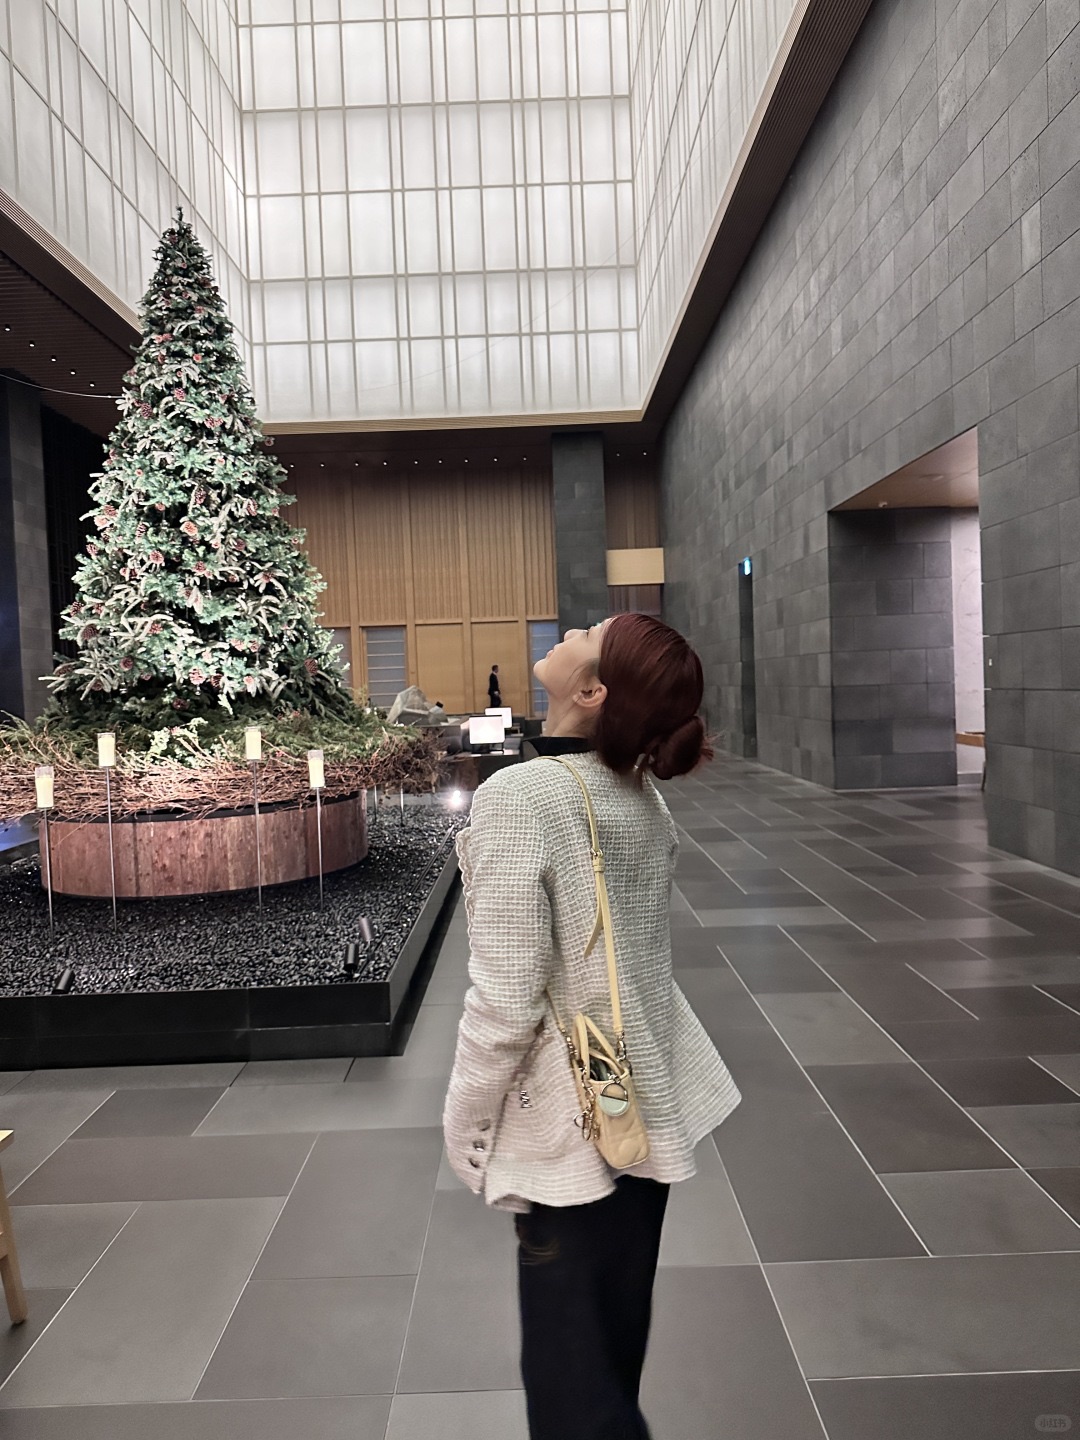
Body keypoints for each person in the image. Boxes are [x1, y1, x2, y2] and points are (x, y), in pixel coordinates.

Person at [444, 613, 741, 1440]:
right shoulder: (637, 793)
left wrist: (467, 1125)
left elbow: (505, 1002)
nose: (572, 627)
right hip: (641, 1108)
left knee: (573, 1397)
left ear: (592, 689)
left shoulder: (521, 797)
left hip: (575, 1133)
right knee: (610, 1361)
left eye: (589, 633)